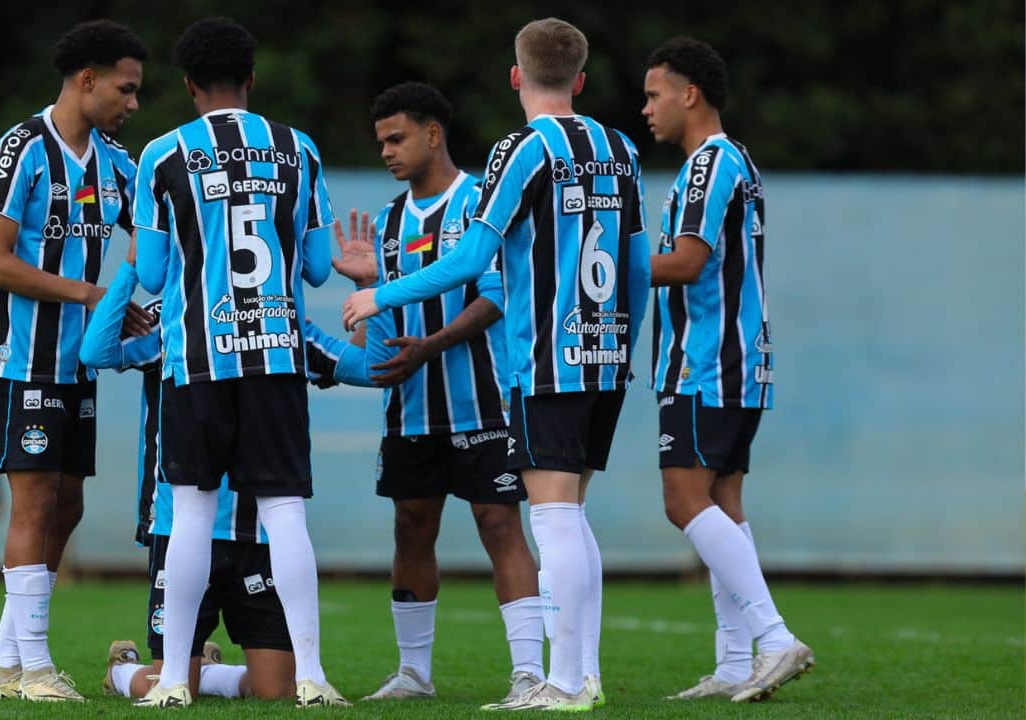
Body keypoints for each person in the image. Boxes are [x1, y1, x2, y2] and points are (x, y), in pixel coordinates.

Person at [342, 18, 652, 711]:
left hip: (545, 360)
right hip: (605, 352)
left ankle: (562, 682)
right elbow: (635, 260)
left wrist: (377, 292)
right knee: (571, 516)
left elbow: (473, 262)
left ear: (517, 76)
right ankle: (584, 673)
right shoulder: (621, 147)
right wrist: (624, 345)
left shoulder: (521, 149)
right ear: (580, 78)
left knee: (551, 521)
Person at [131, 16, 346, 708]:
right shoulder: (298, 149)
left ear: (189, 84)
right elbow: (316, 268)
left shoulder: (162, 155)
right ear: (251, 80)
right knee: (285, 512)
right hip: (277, 359)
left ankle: (171, 682)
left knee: (191, 512)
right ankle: (312, 675)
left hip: (196, 361)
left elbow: (157, 272)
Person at [326, 82, 544, 705]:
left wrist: (434, 344)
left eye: (397, 138)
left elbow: (497, 297)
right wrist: (370, 288)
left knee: (499, 524)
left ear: (432, 133)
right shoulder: (391, 222)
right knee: (411, 527)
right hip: (414, 412)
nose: (388, 153)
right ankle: (413, 674)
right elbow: (382, 338)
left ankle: (529, 673)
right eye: (381, 144)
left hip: (484, 403)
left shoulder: (482, 202)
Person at [81, 241, 360, 704]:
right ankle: (124, 671)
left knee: (274, 691)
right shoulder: (172, 315)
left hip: (257, 532)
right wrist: (132, 264)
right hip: (180, 523)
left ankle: (209, 672)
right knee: (173, 683)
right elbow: (96, 350)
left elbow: (370, 367)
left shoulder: (277, 322)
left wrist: (369, 289)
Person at [0, 19, 150, 702]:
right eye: (126, 90)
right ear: (87, 80)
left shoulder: (116, 161)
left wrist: (145, 296)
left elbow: (155, 233)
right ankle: (37, 667)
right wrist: (92, 293)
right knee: (36, 501)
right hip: (22, 357)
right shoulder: (22, 149)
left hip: (77, 361)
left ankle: (2, 665)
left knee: (66, 504)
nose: (133, 103)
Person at [641, 36, 814, 702]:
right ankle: (737, 662)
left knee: (683, 500)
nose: (647, 108)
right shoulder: (733, 161)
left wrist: (589, 277)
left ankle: (774, 639)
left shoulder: (710, 164)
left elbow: (687, 262)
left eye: (655, 94)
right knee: (721, 502)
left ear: (690, 94)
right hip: (738, 360)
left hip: (705, 361)